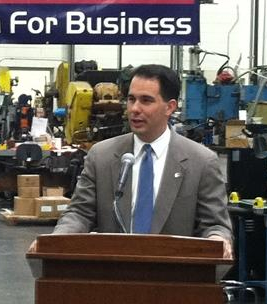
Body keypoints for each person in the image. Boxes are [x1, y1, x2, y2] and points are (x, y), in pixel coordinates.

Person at [34, 64, 233, 258]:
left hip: (175, 279)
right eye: (131, 99)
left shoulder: (201, 162)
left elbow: (215, 224)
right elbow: (80, 213)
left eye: (146, 100)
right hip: (114, 279)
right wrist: (56, 240)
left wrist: (218, 240)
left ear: (170, 107)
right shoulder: (101, 156)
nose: (135, 109)